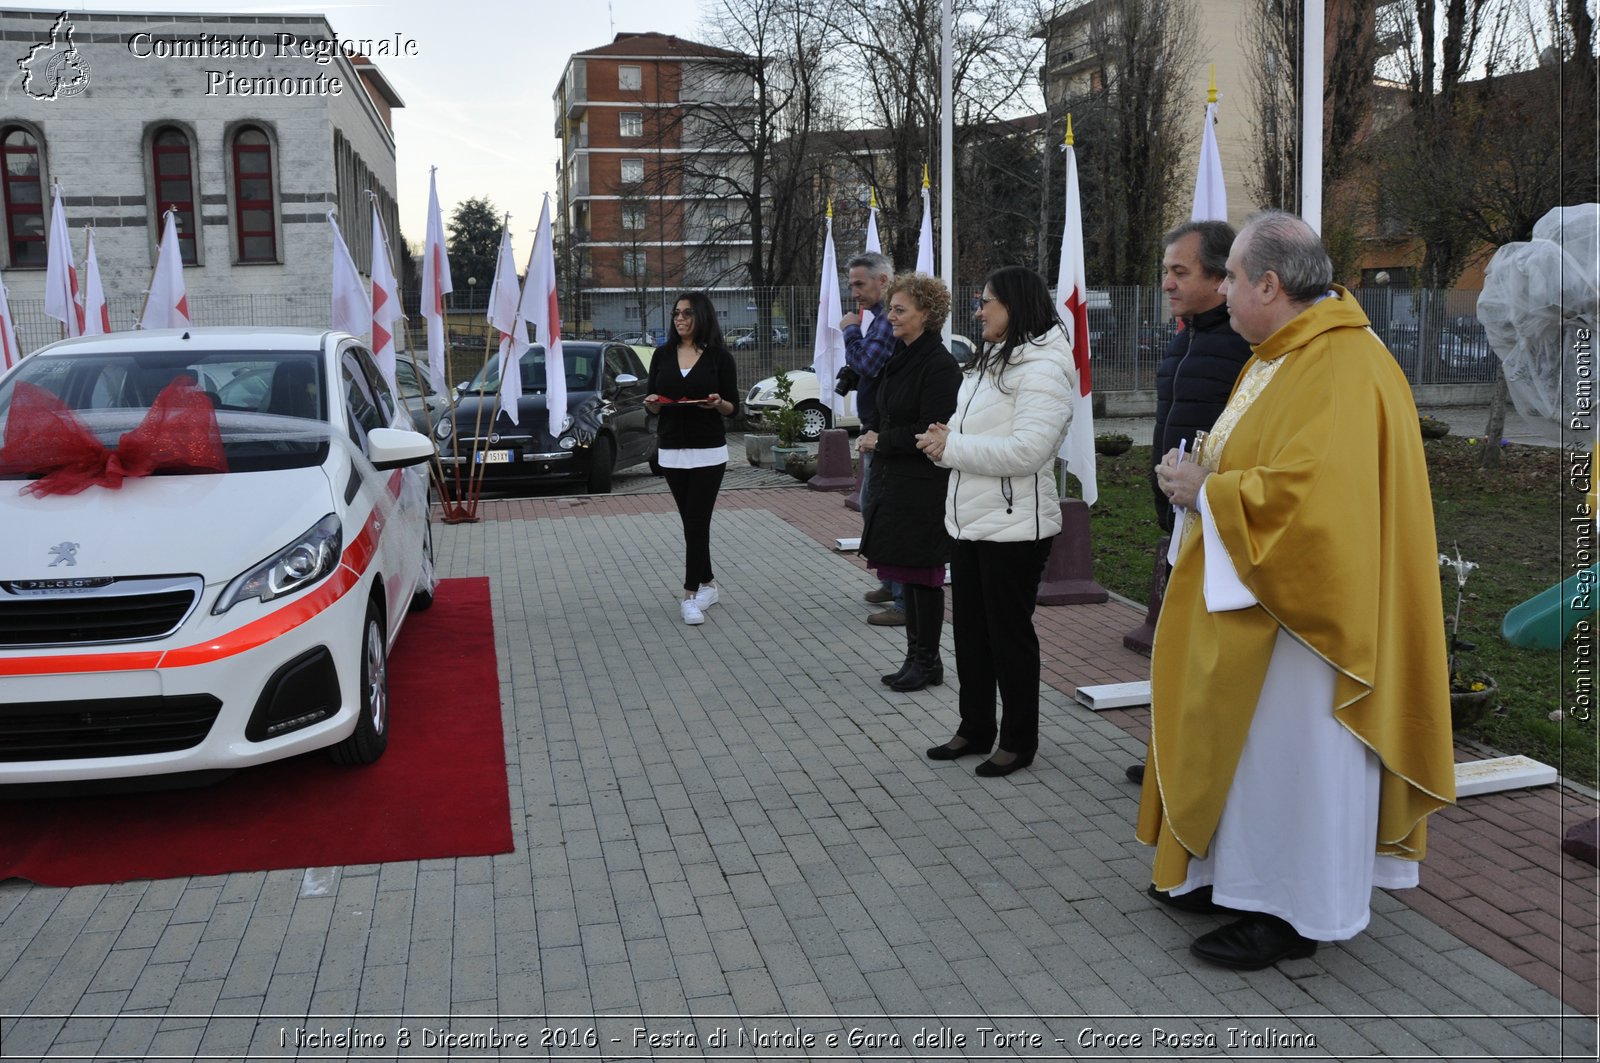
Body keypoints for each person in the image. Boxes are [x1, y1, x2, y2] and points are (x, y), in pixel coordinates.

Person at [1137, 211, 1455, 970]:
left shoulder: (1343, 362)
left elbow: (1319, 498)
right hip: (1259, 599)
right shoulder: (1279, 354)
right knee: (1250, 756)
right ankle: (1235, 882)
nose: (1225, 293)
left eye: (1234, 280)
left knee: (1295, 761)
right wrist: (1205, 482)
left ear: (1268, 285)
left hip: (1314, 624)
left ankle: (1294, 910)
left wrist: (1207, 489)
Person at [916, 267, 1075, 777]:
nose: (978, 311)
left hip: (1015, 529)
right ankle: (975, 727)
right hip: (969, 522)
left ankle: (1018, 739)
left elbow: (1029, 450)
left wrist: (955, 445)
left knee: (1009, 638)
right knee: (969, 634)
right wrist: (949, 437)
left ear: (1016, 305)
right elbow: (980, 431)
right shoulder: (992, 359)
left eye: (986, 302)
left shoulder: (1045, 367)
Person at [1125, 220, 1253, 787]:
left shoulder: (1242, 344)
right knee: (1175, 650)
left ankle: (1196, 770)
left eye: (1180, 271)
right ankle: (1168, 756)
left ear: (1220, 276)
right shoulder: (1187, 336)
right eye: (1166, 271)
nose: (1167, 283)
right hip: (1176, 518)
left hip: (1219, 522)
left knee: (1207, 659)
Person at [858, 272, 961, 691]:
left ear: (926, 314)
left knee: (924, 579)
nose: (891, 317)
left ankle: (928, 661)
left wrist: (882, 440)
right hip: (895, 483)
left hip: (922, 487)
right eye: (891, 309)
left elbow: (931, 428)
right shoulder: (901, 355)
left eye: (900, 310)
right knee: (907, 576)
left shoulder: (938, 365)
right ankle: (915, 657)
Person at [644, 292, 739, 626]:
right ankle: (709, 584)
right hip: (671, 449)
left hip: (709, 450)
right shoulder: (662, 354)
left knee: (697, 522)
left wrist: (718, 403)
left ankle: (688, 596)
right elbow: (653, 400)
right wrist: (653, 402)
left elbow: (733, 407)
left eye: (687, 313)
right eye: (676, 314)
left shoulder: (719, 358)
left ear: (702, 316)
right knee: (691, 522)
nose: (680, 319)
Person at [841, 252, 905, 627]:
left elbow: (868, 364)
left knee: (880, 508)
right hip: (875, 426)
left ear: (882, 281)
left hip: (884, 430)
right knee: (872, 507)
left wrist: (850, 330)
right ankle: (890, 580)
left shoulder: (884, 319)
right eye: (851, 285)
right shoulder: (882, 318)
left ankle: (901, 593)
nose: (854, 293)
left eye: (859, 284)